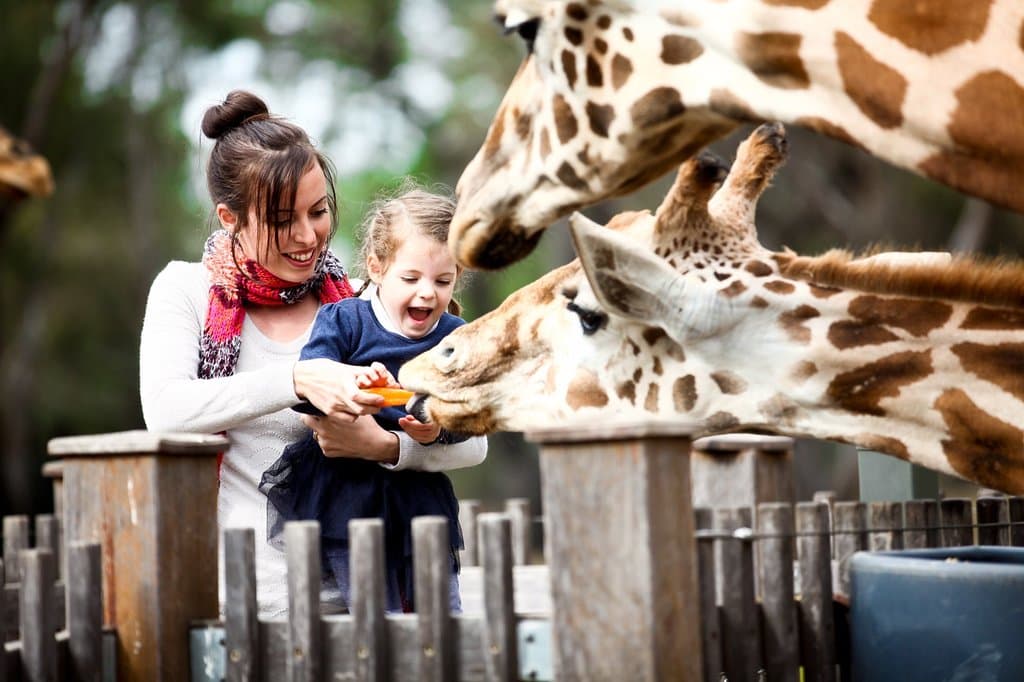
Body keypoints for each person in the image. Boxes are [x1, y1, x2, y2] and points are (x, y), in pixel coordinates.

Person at [138, 90, 487, 617]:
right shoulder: (186, 290)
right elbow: (165, 411)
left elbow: (472, 443)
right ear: (229, 217)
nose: (308, 236)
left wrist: (386, 447)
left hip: (383, 586)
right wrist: (299, 380)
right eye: (283, 220)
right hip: (267, 603)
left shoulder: (363, 301)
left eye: (319, 211)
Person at [261, 186, 485, 613]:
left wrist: (438, 428)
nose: (427, 294)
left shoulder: (455, 335)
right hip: (348, 495)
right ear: (377, 268)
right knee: (378, 619)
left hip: (419, 498)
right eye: (411, 278)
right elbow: (310, 389)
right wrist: (352, 385)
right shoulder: (345, 320)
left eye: (443, 280)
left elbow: (469, 413)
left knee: (444, 613)